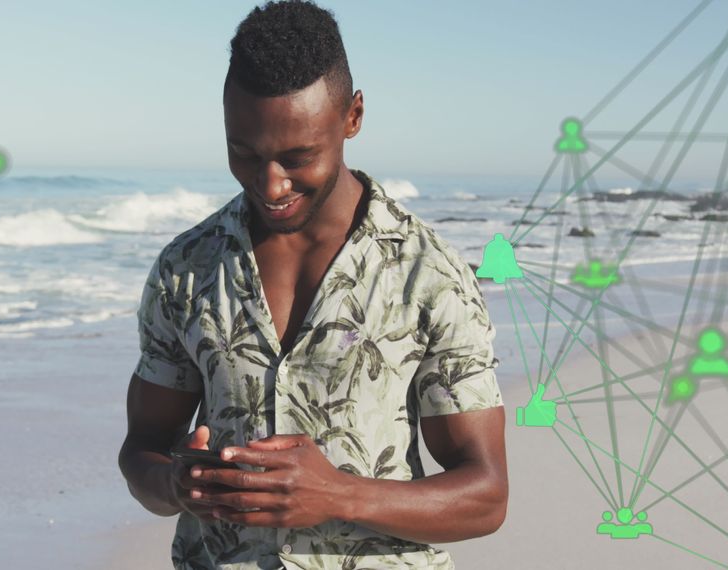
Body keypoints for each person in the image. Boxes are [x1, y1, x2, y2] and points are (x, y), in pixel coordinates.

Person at [118, 1, 508, 567]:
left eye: (298, 157)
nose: (270, 183)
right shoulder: (187, 268)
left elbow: (486, 497)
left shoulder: (430, 276)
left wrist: (339, 494)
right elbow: (142, 450)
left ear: (353, 117)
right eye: (244, 153)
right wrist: (176, 485)